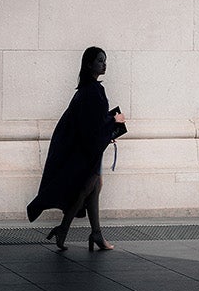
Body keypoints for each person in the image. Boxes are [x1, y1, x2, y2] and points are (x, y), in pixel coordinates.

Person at [25, 45, 127, 251]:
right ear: (89, 64)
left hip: (84, 150)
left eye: (104, 60)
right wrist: (114, 120)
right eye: (99, 60)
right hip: (86, 152)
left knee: (94, 188)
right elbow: (93, 126)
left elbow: (90, 123)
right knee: (87, 189)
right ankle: (67, 229)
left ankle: (94, 234)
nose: (104, 64)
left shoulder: (87, 91)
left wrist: (108, 125)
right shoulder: (92, 92)